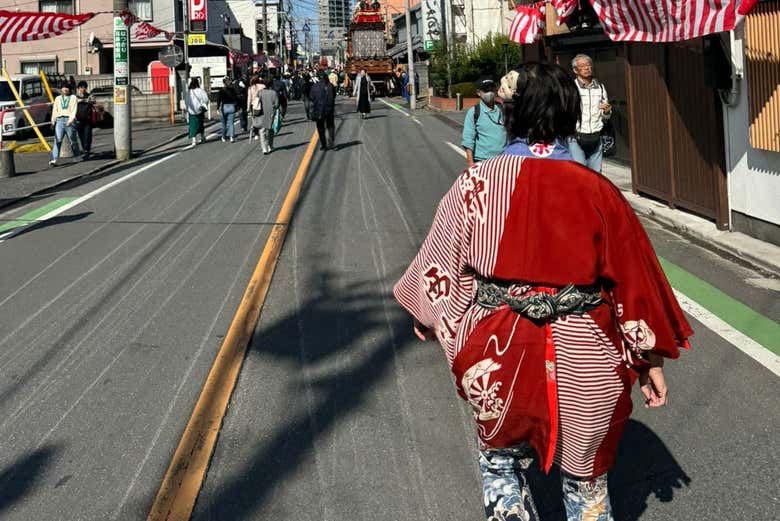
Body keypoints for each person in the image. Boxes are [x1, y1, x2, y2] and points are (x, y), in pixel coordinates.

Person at [393, 62, 692, 521]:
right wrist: (648, 360)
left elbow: (440, 268)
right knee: (586, 486)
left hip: (496, 353)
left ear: (509, 117)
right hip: (585, 358)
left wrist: (427, 318)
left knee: (500, 466)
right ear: (571, 117)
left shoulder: (473, 186)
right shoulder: (597, 191)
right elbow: (635, 286)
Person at [568, 53, 612, 172]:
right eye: (583, 66)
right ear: (575, 70)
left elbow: (605, 116)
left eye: (589, 65)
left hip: (596, 137)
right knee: (580, 171)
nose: (587, 68)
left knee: (596, 174)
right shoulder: (571, 88)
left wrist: (607, 111)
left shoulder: (600, 88)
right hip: (575, 137)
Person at [461, 78, 506, 167]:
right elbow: (468, 139)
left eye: (491, 89)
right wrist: (471, 163)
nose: (490, 93)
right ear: (478, 93)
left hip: (503, 160)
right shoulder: (473, 112)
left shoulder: (503, 109)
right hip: (482, 161)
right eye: (486, 90)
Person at [49, 83, 80, 167]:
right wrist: (53, 121)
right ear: (61, 89)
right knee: (57, 140)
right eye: (63, 87)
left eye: (67, 88)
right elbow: (55, 110)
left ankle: (77, 155)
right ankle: (54, 159)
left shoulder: (73, 98)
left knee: (72, 140)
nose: (65, 89)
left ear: (70, 89)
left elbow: (74, 109)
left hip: (69, 120)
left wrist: (71, 120)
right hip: (59, 120)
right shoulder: (58, 98)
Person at [309, 71, 336, 151]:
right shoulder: (330, 86)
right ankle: (330, 142)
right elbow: (333, 96)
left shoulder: (314, 86)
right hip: (329, 109)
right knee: (330, 125)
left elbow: (311, 97)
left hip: (318, 109)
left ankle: (323, 144)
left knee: (320, 128)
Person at [184, 77, 210, 146]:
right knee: (200, 123)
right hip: (200, 110)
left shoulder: (188, 92)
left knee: (192, 125)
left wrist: (187, 108)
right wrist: (204, 105)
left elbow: (186, 101)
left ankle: (194, 140)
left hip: (191, 111)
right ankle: (202, 136)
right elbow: (206, 99)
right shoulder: (200, 91)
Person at [74, 80, 96, 160]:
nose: (82, 89)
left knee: (88, 136)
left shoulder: (89, 95)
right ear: (78, 88)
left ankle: (87, 150)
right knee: (81, 136)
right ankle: (85, 150)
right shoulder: (75, 97)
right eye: (81, 88)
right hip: (78, 119)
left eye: (84, 88)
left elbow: (94, 101)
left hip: (88, 119)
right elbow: (71, 103)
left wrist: (85, 100)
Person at [258, 78, 280, 154]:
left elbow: (256, 102)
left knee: (262, 131)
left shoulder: (260, 92)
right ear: (271, 84)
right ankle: (270, 146)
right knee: (271, 130)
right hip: (271, 113)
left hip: (261, 113)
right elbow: (277, 104)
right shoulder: (274, 93)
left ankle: (264, 148)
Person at [217, 76, 238, 142]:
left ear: (223, 82)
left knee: (224, 124)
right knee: (231, 123)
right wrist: (236, 107)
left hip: (223, 107)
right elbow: (236, 98)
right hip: (231, 106)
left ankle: (223, 137)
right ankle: (232, 137)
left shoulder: (221, 90)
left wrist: (217, 108)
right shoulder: (232, 89)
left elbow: (218, 100)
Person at [246, 76, 264, 142]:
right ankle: (262, 131)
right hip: (262, 104)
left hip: (253, 105)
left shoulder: (250, 88)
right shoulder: (263, 86)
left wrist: (248, 108)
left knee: (255, 120)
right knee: (262, 117)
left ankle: (256, 134)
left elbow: (249, 99)